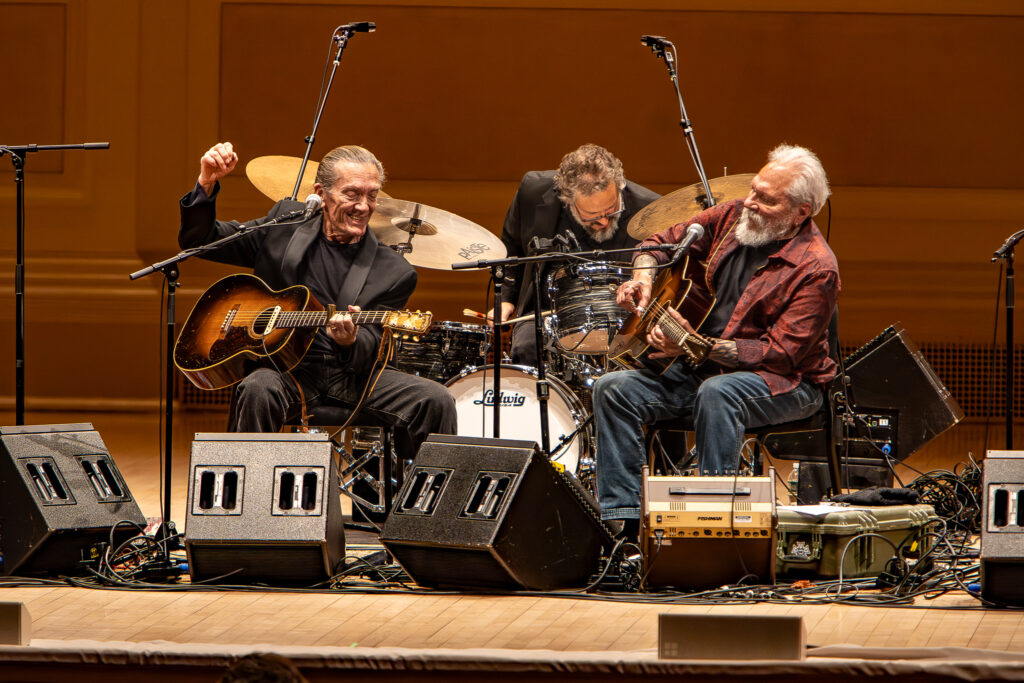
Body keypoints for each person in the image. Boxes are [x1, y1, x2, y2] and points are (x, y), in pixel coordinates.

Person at [593, 144, 840, 532]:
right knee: (612, 388)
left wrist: (695, 346)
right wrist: (642, 279)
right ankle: (621, 528)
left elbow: (779, 354)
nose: (751, 202)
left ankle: (711, 527)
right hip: (702, 370)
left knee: (720, 393)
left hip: (787, 383)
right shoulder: (730, 216)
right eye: (754, 189)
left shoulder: (816, 268)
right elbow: (656, 243)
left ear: (801, 212)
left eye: (766, 199)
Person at [179, 142, 456, 460]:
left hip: (350, 376)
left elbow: (373, 343)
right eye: (352, 194)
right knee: (257, 388)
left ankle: (425, 506)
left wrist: (350, 340)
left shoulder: (394, 270)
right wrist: (207, 183)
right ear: (321, 193)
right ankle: (245, 502)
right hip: (285, 372)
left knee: (436, 399)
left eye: (372, 195)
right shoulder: (284, 226)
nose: (363, 206)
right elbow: (202, 241)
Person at [496, 144, 660, 365]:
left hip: (621, 312)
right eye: (592, 216)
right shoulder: (532, 191)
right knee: (526, 347)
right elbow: (511, 245)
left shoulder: (650, 208)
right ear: (568, 199)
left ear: (619, 187)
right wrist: (507, 299)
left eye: (612, 211)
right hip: (548, 310)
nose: (603, 221)